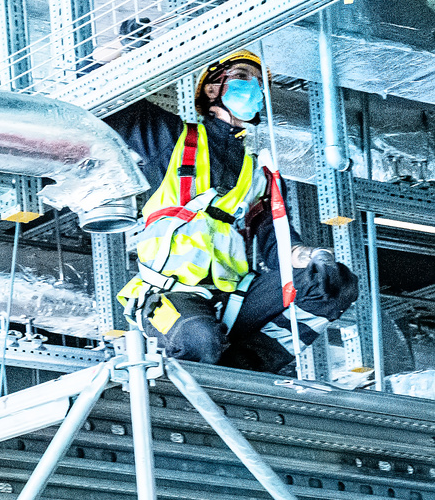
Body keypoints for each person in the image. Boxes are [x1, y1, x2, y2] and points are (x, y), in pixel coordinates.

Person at [104, 49, 358, 375]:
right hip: (170, 297)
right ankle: (211, 370)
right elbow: (114, 106)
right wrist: (121, 52)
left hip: (233, 299)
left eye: (257, 84)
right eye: (241, 77)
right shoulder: (173, 140)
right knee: (199, 338)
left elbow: (279, 245)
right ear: (212, 89)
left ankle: (246, 367)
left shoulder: (257, 172)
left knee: (334, 284)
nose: (252, 88)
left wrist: (310, 256)